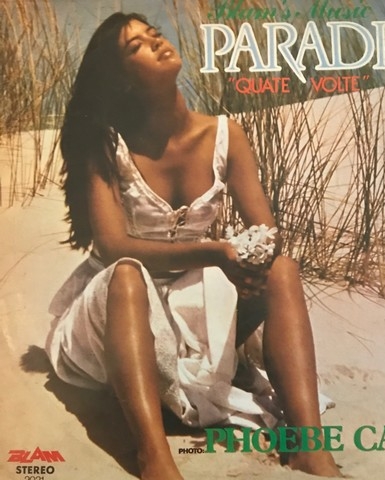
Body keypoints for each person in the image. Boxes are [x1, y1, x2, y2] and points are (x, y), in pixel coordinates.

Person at [45, 11, 342, 480]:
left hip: (193, 307)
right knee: (127, 275)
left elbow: (266, 230)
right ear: (121, 79)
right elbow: (114, 246)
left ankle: (308, 446)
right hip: (115, 312)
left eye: (154, 34)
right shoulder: (106, 144)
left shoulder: (225, 134)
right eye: (136, 46)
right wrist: (214, 253)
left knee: (283, 268)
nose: (157, 42)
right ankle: (154, 459)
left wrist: (251, 262)